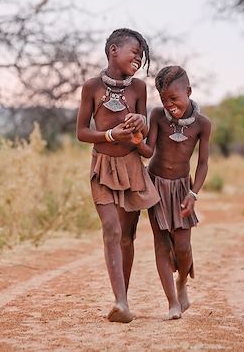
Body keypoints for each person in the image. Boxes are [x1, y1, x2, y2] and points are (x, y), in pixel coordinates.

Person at [76, 28, 160, 323]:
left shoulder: (138, 88)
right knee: (111, 229)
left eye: (141, 55)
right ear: (113, 50)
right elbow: (81, 132)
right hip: (103, 167)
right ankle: (120, 302)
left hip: (132, 167)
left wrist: (141, 121)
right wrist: (110, 134)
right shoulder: (92, 87)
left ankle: (124, 298)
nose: (138, 58)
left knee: (127, 236)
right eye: (134, 52)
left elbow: (146, 129)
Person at [136, 65, 211, 320]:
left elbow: (202, 163)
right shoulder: (157, 115)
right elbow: (148, 151)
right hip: (155, 185)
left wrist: (194, 193)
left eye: (174, 98)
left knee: (182, 246)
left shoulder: (202, 124)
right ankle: (172, 304)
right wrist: (137, 141)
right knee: (161, 243)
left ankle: (182, 283)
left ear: (188, 91)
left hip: (182, 190)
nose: (169, 105)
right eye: (164, 99)